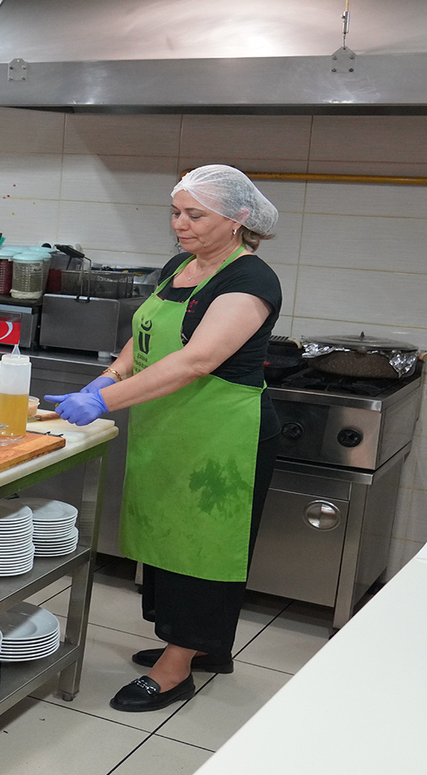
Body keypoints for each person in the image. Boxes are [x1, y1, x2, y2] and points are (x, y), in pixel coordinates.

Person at [45, 164, 281, 713]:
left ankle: (177, 667)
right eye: (176, 212)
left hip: (223, 439)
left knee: (205, 549)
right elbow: (144, 335)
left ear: (238, 218)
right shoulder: (180, 266)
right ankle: (198, 644)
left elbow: (197, 360)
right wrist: (107, 378)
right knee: (169, 543)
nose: (180, 224)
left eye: (195, 214)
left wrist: (103, 403)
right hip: (169, 428)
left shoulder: (251, 279)